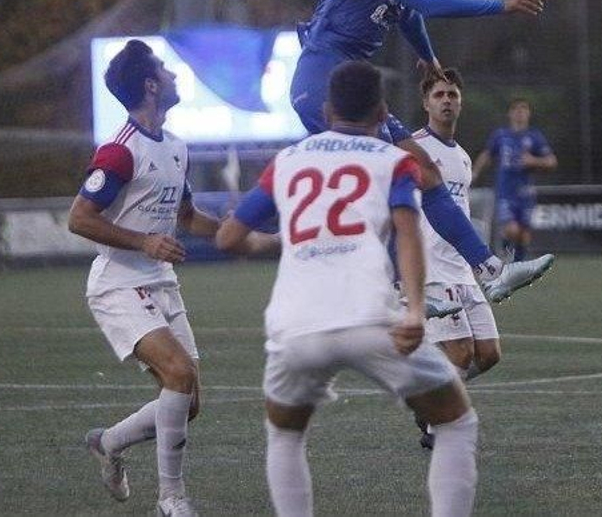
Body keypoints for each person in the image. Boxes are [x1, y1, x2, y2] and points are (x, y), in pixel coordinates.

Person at [218, 61, 479, 516]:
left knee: (285, 435)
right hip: (370, 319)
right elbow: (408, 233)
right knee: (456, 421)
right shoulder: (394, 160)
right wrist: (415, 310)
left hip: (296, 326)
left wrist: (279, 241)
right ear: (381, 112)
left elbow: (228, 238)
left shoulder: (289, 160)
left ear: (326, 111)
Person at [287, 0, 553, 300]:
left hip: (348, 85)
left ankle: (491, 271)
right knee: (388, 177)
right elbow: (425, 2)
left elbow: (410, 14)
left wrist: (428, 57)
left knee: (423, 171)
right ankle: (393, 288)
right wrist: (499, 4)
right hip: (322, 81)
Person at [69, 40, 222, 517]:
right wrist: (144, 241)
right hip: (117, 283)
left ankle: (108, 443)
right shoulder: (119, 150)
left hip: (160, 281)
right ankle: (171, 499)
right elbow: (79, 218)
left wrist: (241, 230)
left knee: (188, 403)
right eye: (165, 69)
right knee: (178, 373)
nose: (173, 75)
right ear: (151, 85)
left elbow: (188, 216)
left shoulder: (175, 148)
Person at [409, 69, 503, 450]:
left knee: (489, 354)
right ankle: (436, 428)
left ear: (461, 102)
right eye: (439, 95)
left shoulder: (462, 158)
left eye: (452, 94)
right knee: (461, 351)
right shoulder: (413, 148)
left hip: (462, 269)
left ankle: (428, 395)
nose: (446, 100)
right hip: (432, 267)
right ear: (426, 103)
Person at [472, 99, 557, 262]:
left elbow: (551, 161)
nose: (520, 112)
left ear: (528, 114)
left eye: (523, 109)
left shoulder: (534, 136)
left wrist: (534, 161)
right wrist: (474, 173)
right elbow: (487, 155)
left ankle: (518, 265)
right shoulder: (501, 135)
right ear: (509, 114)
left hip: (526, 192)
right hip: (505, 191)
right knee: (512, 230)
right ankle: (504, 250)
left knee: (524, 235)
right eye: (516, 109)